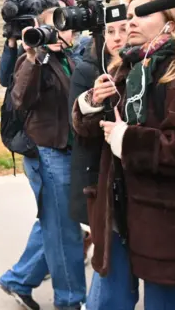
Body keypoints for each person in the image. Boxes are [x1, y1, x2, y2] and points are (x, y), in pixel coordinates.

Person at [73, 0, 175, 310]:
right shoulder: (127, 69)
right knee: (113, 299)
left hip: (165, 218)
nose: (130, 20)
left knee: (168, 302)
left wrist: (126, 139)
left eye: (141, 12)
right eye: (128, 14)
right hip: (122, 210)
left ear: (169, 22)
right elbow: (93, 135)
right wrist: (91, 104)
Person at [0, 8, 86, 310]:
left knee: (55, 225)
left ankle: (18, 280)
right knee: (65, 232)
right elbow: (20, 97)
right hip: (49, 154)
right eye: (52, 27)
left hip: (69, 151)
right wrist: (33, 55)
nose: (61, 32)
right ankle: (70, 301)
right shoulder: (34, 60)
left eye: (65, 26)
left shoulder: (69, 58)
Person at [67, 19, 126, 238]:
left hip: (131, 174)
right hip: (99, 173)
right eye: (110, 31)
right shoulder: (88, 70)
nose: (117, 37)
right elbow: (76, 126)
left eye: (123, 29)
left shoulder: (141, 66)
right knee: (110, 255)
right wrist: (92, 103)